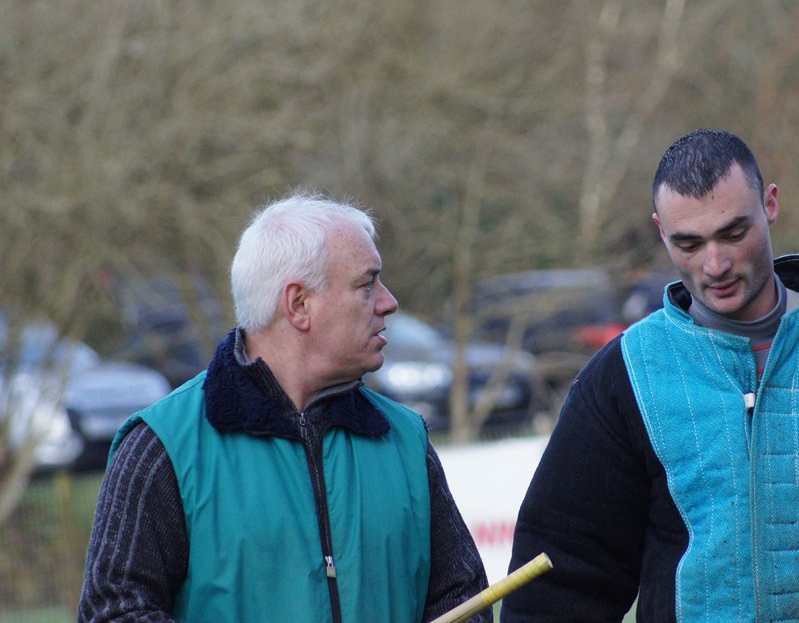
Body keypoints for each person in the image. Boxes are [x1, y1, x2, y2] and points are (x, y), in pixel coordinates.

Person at [502, 129, 799, 621]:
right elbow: (561, 579)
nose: (715, 264)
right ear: (660, 230)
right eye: (689, 243)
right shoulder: (625, 376)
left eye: (732, 233)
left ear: (770, 205)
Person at [79, 191, 491, 622]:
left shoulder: (405, 440)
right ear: (298, 305)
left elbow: (464, 602)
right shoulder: (164, 446)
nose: (388, 302)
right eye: (366, 283)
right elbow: (114, 611)